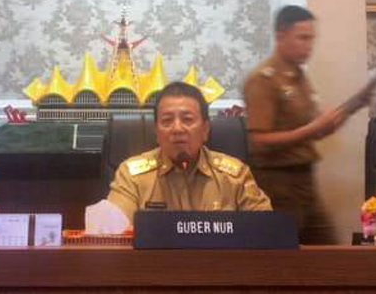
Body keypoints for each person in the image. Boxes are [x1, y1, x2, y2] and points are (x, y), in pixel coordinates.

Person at [243, 5, 369, 244]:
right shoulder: (263, 80)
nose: (309, 45)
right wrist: (313, 128)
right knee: (284, 254)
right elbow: (258, 141)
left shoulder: (299, 76)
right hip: (277, 184)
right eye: (303, 38)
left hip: (304, 180)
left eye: (312, 38)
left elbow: (315, 129)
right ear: (280, 36)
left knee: (326, 248)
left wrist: (355, 104)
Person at [107, 82, 272, 223]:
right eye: (167, 121)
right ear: (156, 132)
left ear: (205, 130)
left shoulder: (235, 176)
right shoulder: (132, 177)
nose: (177, 129)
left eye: (187, 119)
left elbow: (266, 230)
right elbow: (113, 233)